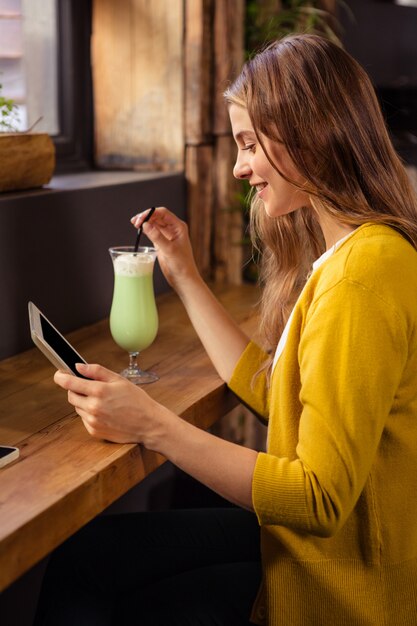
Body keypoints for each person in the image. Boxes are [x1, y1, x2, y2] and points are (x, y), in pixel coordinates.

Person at [34, 33, 417, 625]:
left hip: (340, 586)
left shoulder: (360, 279)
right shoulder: (357, 254)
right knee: (93, 559)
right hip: (318, 553)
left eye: (247, 144)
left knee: (99, 577)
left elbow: (317, 498)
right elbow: (278, 396)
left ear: (308, 133)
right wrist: (183, 272)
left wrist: (153, 425)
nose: (239, 168)